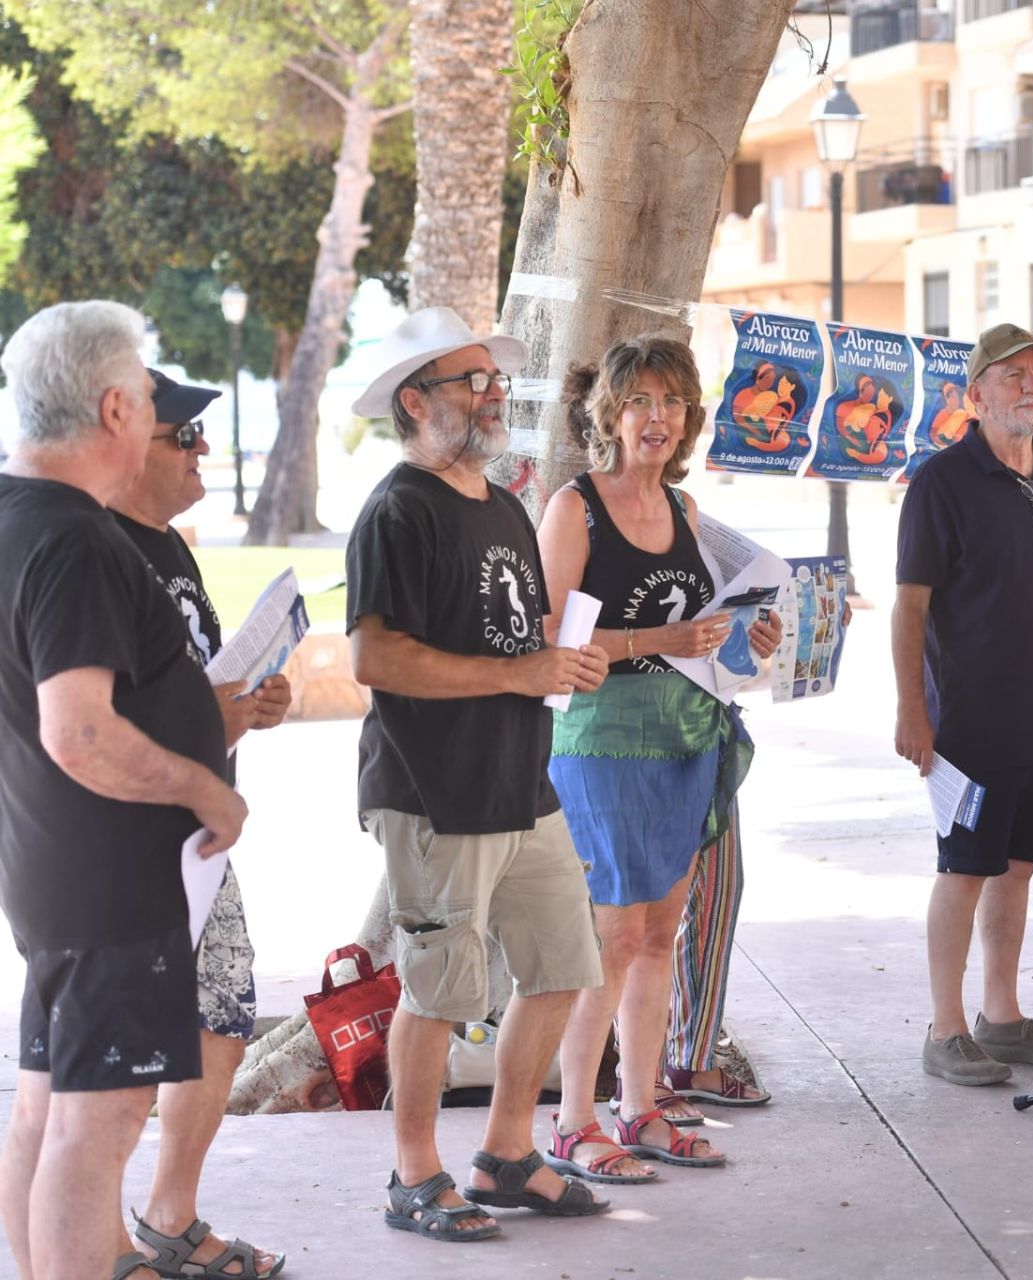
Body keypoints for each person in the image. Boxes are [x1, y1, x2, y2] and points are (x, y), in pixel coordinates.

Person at [344, 306, 613, 1243]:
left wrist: (562, 656)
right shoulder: (395, 510)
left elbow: (510, 633)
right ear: (417, 401)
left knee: (560, 965)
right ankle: (414, 1175)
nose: (495, 395)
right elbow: (375, 659)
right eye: (474, 381)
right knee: (438, 987)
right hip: (433, 791)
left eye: (497, 381)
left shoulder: (500, 503)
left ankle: (505, 1155)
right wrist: (520, 671)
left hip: (520, 780)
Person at [0, 301, 245, 1280]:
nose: (154, 416)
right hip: (111, 884)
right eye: (149, 397)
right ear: (112, 408)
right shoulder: (75, 540)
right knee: (93, 1133)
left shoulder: (22, 513)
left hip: (60, 875)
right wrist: (205, 788)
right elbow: (80, 729)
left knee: (50, 1109)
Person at [539, 338, 782, 1178]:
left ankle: (638, 1107)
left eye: (673, 402)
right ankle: (573, 1124)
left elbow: (710, 626)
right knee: (610, 936)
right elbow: (548, 637)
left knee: (659, 935)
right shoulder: (576, 507)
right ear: (610, 414)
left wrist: (751, 633)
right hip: (603, 740)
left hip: (688, 735)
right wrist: (658, 638)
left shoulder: (685, 511)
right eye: (641, 401)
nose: (658, 418)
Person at [893, 322, 1033, 1086]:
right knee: (966, 867)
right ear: (973, 394)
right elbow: (909, 607)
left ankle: (1004, 1018)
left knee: (1018, 867)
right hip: (971, 716)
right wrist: (910, 712)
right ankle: (945, 1030)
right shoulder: (942, 481)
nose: (1029, 385)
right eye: (1011, 374)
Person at [111, 371, 293, 1278]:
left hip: (198, 838)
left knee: (221, 1015)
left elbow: (195, 682)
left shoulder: (173, 549)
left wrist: (252, 703)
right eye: (183, 438)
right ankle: (98, 1242)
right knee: (114, 1050)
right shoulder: (90, 549)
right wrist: (217, 723)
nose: (202, 452)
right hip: (123, 844)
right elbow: (92, 723)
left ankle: (169, 1219)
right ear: (124, 442)